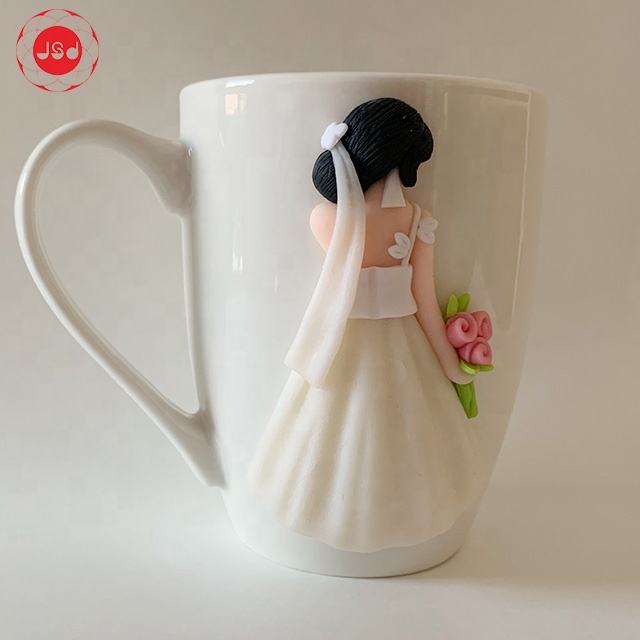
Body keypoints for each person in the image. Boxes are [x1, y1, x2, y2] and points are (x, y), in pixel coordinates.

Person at [248, 98, 481, 553]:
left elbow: (421, 295)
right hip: (391, 343)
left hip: (341, 345)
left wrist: (451, 362)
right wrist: (447, 361)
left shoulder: (329, 217)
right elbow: (424, 299)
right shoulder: (413, 220)